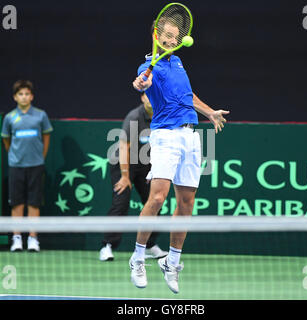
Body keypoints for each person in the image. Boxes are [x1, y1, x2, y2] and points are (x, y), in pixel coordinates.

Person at [129, 20, 229, 294]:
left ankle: (172, 262)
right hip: (165, 136)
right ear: (156, 36)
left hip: (191, 136)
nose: (173, 40)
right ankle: (138, 256)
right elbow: (142, 83)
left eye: (177, 37)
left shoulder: (178, 63)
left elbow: (188, 96)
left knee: (186, 202)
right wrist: (141, 83)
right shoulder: (147, 67)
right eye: (168, 36)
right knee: (158, 198)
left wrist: (209, 112)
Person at [99, 92, 168, 261]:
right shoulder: (134, 117)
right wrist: (125, 176)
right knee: (120, 203)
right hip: (123, 163)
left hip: (146, 164)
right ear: (142, 98)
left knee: (155, 201)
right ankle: (107, 246)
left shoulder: (163, 115)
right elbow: (124, 148)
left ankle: (149, 244)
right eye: (148, 95)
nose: (151, 99)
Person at [1, 80, 53, 252]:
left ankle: (33, 239)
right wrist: (15, 156)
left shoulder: (40, 115)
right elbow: (6, 140)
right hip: (16, 166)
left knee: (34, 203)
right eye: (20, 94)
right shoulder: (10, 117)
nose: (24, 97)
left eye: (27, 94)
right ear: (15, 97)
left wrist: (40, 156)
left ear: (32, 96)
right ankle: (16, 239)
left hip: (36, 165)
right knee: (16, 204)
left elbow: (46, 139)